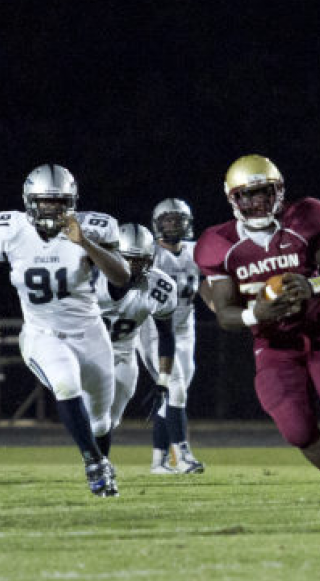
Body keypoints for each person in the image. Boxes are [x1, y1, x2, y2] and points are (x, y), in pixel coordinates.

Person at [195, 154, 320, 509]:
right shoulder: (219, 245)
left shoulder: (305, 220)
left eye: (263, 193)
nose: (256, 203)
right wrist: (256, 313)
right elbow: (225, 313)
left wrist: (313, 285)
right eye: (247, 195)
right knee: (296, 429)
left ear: (279, 192)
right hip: (272, 345)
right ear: (232, 199)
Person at [0, 164, 130, 496]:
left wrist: (85, 242)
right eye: (45, 202)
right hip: (43, 334)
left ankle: (102, 471)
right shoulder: (11, 229)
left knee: (101, 419)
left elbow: (122, 277)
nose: (52, 209)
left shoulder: (93, 227)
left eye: (59, 202)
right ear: (30, 202)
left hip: (90, 332)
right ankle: (93, 464)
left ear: (71, 202)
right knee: (65, 382)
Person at [96, 223, 178, 464]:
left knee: (108, 421)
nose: (133, 266)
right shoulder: (89, 278)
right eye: (127, 258)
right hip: (83, 349)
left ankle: (99, 465)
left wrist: (162, 380)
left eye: (140, 259)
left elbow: (166, 335)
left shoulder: (159, 287)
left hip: (122, 354)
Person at [136, 198, 207, 473]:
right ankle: (183, 455)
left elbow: (208, 285)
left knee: (175, 396)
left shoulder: (195, 251)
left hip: (185, 329)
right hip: (154, 330)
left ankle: (159, 461)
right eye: (168, 220)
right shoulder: (151, 254)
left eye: (179, 220)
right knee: (174, 388)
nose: (174, 225)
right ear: (157, 224)